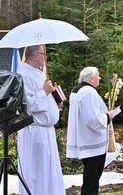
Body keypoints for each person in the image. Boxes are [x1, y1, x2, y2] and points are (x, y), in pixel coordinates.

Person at [17, 45, 66, 195]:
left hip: (47, 131)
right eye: (43, 53)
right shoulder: (23, 75)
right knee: (37, 171)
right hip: (34, 130)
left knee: (49, 170)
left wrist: (55, 102)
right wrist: (44, 92)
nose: (45, 56)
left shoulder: (38, 74)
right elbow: (25, 104)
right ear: (35, 56)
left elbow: (44, 99)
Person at [66, 67, 115, 194]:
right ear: (91, 78)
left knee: (89, 176)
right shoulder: (89, 92)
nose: (99, 78)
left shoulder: (77, 90)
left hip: (84, 137)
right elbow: (92, 118)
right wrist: (107, 116)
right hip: (92, 140)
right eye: (98, 75)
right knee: (92, 178)